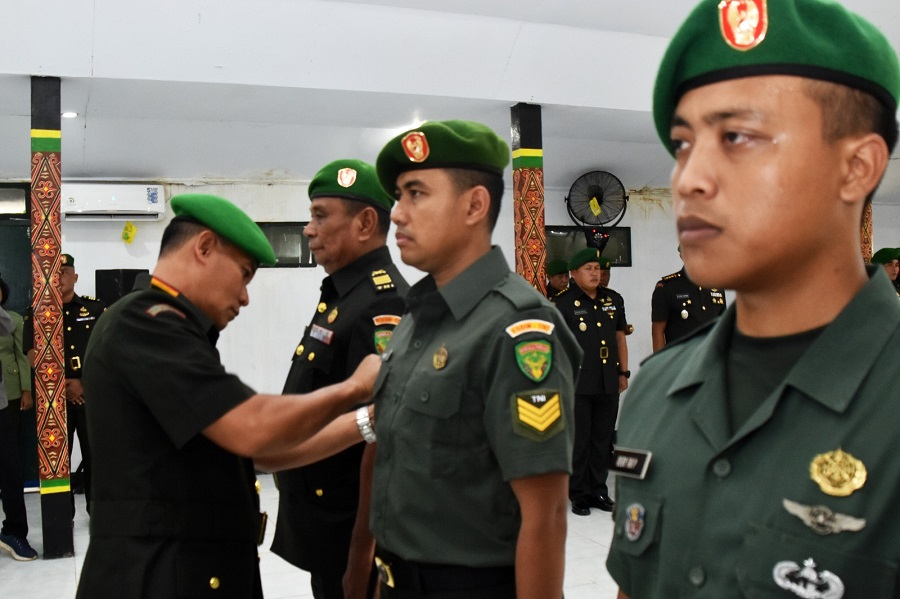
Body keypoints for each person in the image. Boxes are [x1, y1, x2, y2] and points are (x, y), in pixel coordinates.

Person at [606, 1, 900, 597]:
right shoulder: (657, 392)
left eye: (737, 137)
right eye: (684, 144)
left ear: (857, 168)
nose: (687, 179)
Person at [75, 193, 383, 599]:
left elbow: (259, 453)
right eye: (243, 274)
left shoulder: (177, 329)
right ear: (203, 247)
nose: (245, 297)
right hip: (159, 577)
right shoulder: (146, 324)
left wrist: (368, 421)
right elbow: (251, 428)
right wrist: (355, 388)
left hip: (191, 570)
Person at [346, 120, 582, 599]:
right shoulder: (419, 316)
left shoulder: (516, 328)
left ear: (475, 204)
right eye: (398, 195)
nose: (397, 214)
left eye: (416, 193)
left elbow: (546, 514)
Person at [271, 159, 408, 599]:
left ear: (366, 223)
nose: (309, 229)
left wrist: (360, 555)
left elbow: (380, 435)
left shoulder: (380, 303)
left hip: (348, 524)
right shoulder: (344, 294)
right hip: (324, 518)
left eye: (320, 215)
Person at [551, 249, 628, 516]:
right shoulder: (563, 303)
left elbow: (620, 339)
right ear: (574, 274)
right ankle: (579, 494)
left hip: (608, 380)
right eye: (588, 268)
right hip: (578, 382)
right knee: (580, 440)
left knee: (602, 439)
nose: (595, 273)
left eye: (597, 268)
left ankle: (599, 490)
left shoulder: (613, 300)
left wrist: (623, 373)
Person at [0, 276, 37, 561]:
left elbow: (23, 357)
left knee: (10, 467)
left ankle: (14, 532)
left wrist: (26, 388)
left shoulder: (9, 320)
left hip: (7, 399)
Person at [650, 247, 725, 351]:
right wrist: (661, 365)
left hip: (710, 359)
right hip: (681, 361)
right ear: (682, 256)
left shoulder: (716, 286)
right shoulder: (667, 287)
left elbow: (723, 327)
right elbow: (657, 331)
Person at [599, 257, 633, 336]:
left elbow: (622, 328)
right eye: (600, 274)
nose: (603, 278)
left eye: (605, 274)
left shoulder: (615, 298)